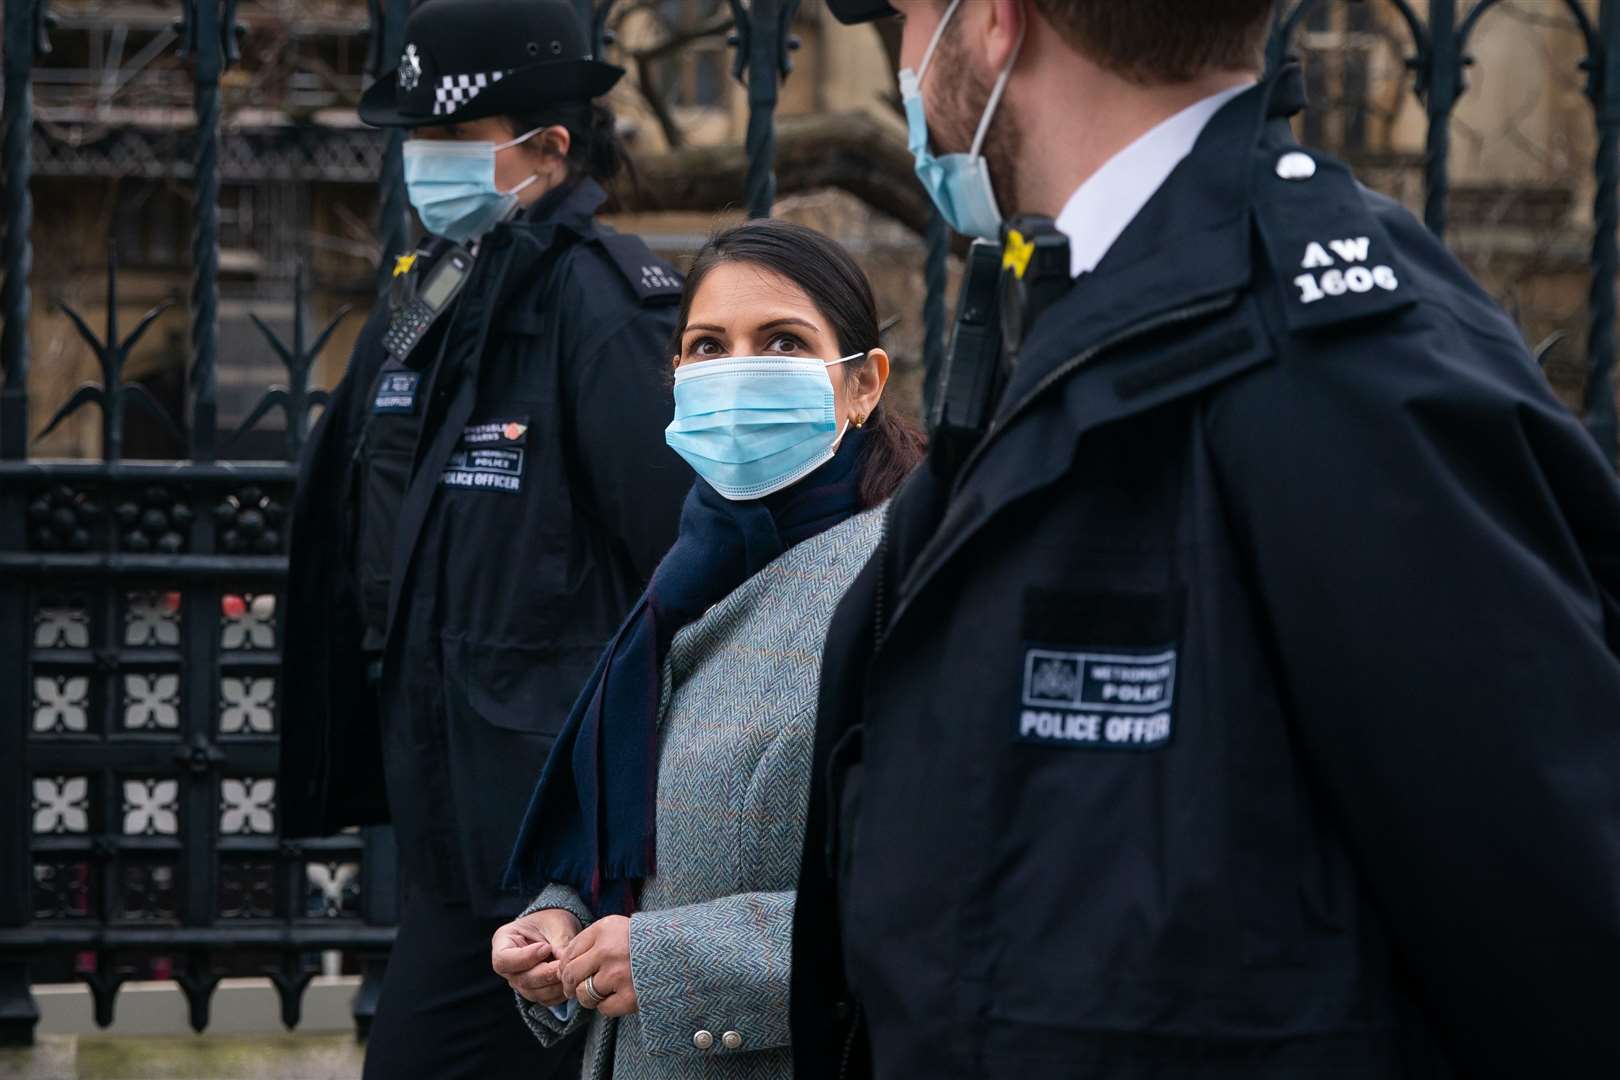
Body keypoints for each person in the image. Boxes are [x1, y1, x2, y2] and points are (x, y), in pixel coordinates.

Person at [795, 0, 1620, 1076]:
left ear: (995, 23)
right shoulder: (1069, 303)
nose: (901, 66)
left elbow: (1562, 946)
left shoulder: (1338, 374)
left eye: (904, 18)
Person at [278, 0, 691, 1076]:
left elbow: (681, 559)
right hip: (447, 828)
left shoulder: (603, 309)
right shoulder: (431, 295)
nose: (421, 166)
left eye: (450, 144)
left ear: (547, 149)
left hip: (556, 856)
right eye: (413, 141)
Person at [489, 219, 925, 1080]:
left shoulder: (897, 584)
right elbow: (638, 841)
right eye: (707, 345)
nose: (740, 369)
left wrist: (671, 961)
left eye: (782, 341)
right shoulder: (685, 574)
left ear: (864, 385)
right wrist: (559, 921)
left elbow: (933, 901)